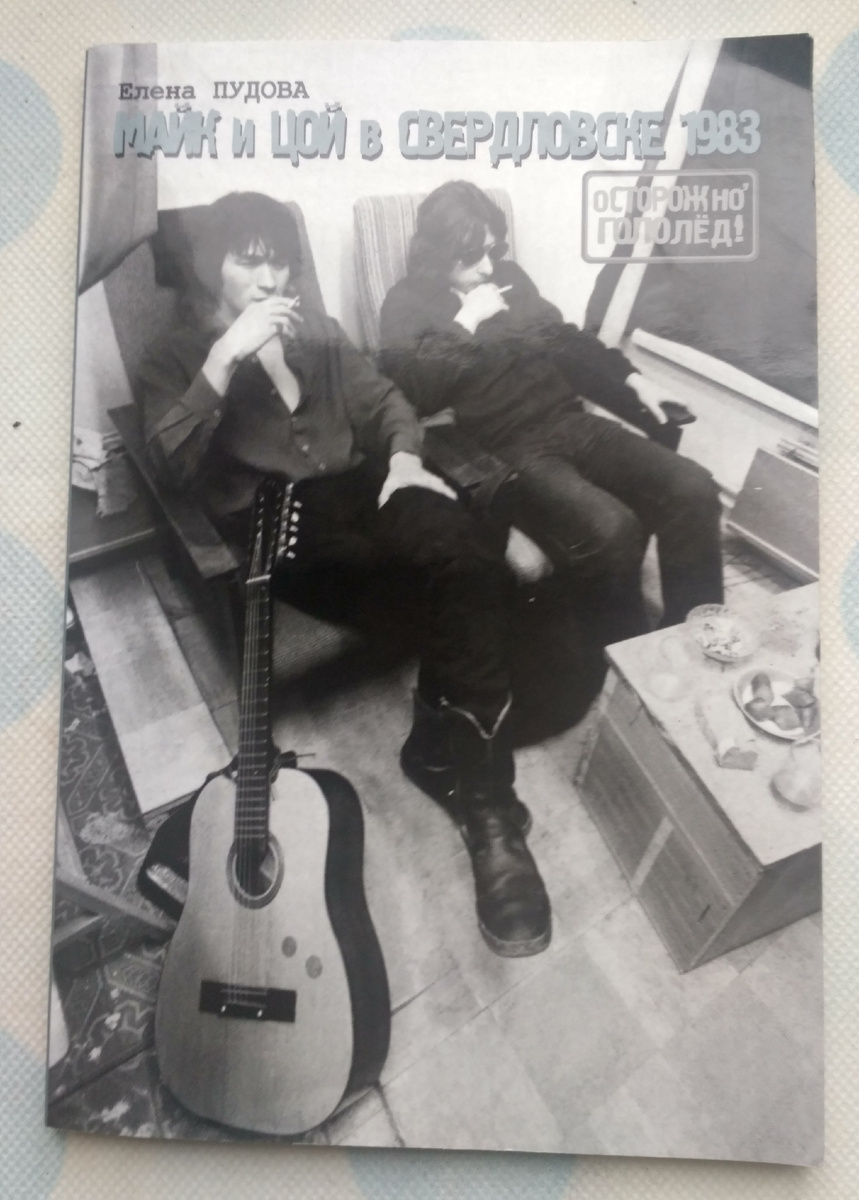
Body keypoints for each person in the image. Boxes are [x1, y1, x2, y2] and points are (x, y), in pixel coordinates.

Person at [137, 190, 550, 959]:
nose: (269, 279)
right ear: (209, 266)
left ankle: (480, 797)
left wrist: (402, 459)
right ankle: (466, 782)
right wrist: (224, 359)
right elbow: (170, 466)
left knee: (467, 563)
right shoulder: (172, 358)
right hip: (283, 523)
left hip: (368, 485)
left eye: (279, 260)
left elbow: (387, 401)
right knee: (450, 596)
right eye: (247, 261)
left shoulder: (318, 332)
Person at [379, 181, 724, 643]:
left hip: (572, 422)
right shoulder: (404, 303)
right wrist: (467, 322)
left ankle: (692, 640)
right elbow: (412, 391)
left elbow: (565, 341)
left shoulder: (509, 277)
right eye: (473, 257)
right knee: (613, 529)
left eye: (492, 251)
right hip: (508, 449)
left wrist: (634, 380)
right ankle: (628, 658)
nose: (488, 267)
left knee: (695, 487)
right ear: (439, 253)